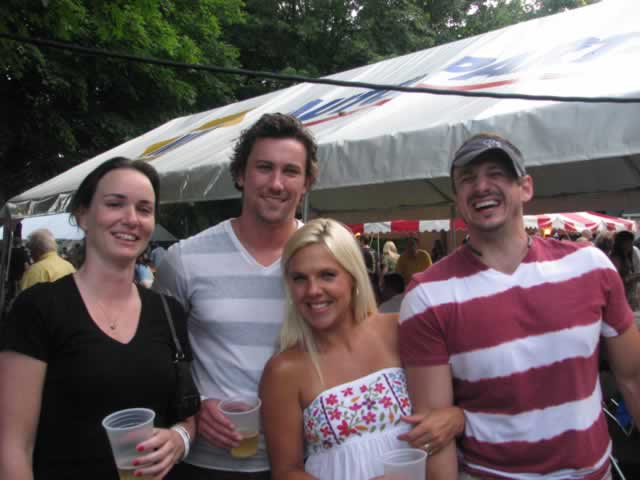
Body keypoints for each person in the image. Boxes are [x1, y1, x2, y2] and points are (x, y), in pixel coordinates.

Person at [398, 133, 640, 480]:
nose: (481, 186)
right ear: (458, 199)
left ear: (526, 187)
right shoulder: (428, 296)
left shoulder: (590, 266)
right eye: (467, 179)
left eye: (496, 173)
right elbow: (435, 432)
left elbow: (633, 377)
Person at [0, 157, 197, 479]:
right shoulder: (38, 308)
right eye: (115, 204)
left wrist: (180, 439)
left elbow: (186, 415)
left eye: (144, 209)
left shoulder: (168, 312)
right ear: (83, 215)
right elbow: (12, 446)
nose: (131, 219)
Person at [154, 113, 319, 479]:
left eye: (291, 171)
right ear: (241, 174)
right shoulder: (185, 259)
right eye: (264, 167)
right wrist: (194, 406)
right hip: (205, 463)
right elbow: (155, 354)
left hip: (301, 461)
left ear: (306, 182)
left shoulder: (324, 260)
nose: (276, 183)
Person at [260, 218, 464, 480]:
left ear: (353, 277)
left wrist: (457, 418)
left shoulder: (401, 330)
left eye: (327, 275)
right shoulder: (283, 370)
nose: (313, 290)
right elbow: (286, 471)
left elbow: (468, 399)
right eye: (299, 278)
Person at [610, 230, 640, 311]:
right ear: (621, 243)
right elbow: (614, 280)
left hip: (630, 296)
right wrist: (631, 277)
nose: (630, 245)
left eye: (631, 242)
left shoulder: (630, 254)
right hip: (619, 298)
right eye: (628, 242)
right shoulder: (615, 258)